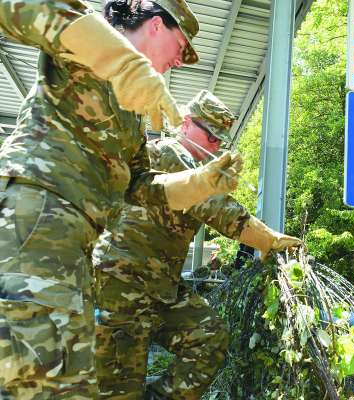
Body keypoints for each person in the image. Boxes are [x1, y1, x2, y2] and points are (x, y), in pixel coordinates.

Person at [0, 1, 242, 398]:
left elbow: (141, 186)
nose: (179, 63)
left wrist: (201, 182)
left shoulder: (133, 112)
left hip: (74, 248)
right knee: (42, 387)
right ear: (155, 25)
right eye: (181, 48)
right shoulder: (84, 36)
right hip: (35, 223)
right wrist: (123, 62)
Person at [92, 90, 302, 399]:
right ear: (187, 123)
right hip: (121, 283)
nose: (215, 146)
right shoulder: (169, 154)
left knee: (210, 338)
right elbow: (215, 207)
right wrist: (269, 239)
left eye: (221, 140)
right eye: (211, 136)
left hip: (161, 289)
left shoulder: (197, 168)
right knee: (120, 388)